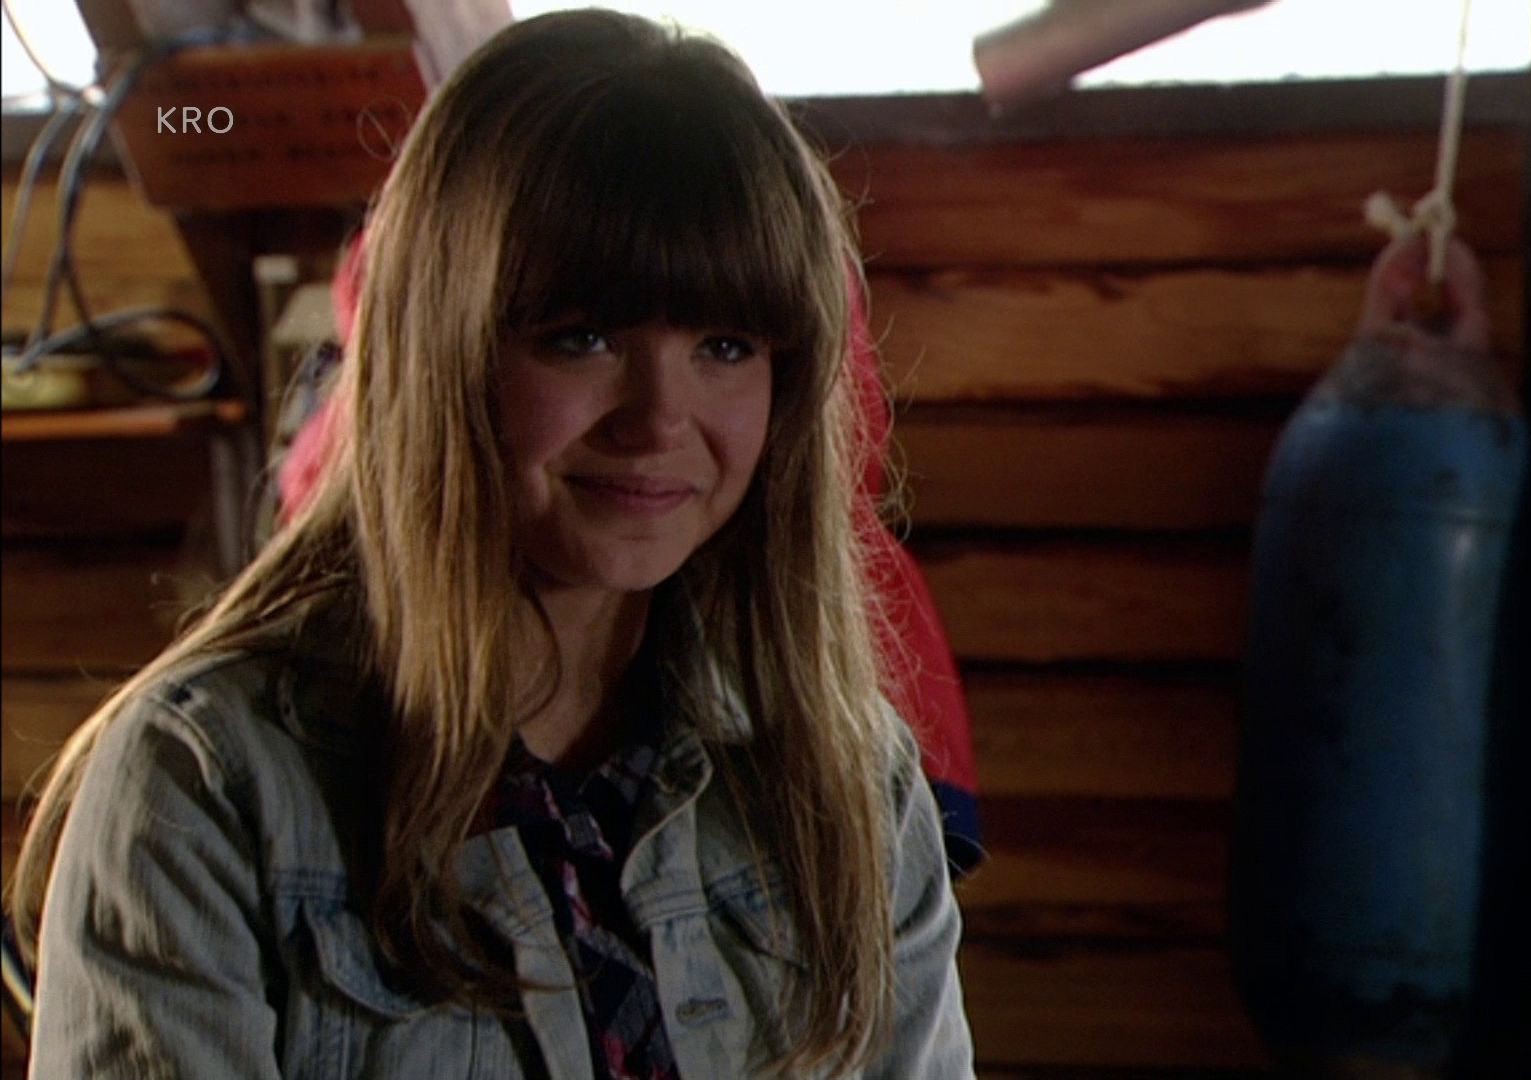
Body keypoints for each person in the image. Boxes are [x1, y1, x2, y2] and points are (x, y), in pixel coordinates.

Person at [5, 10, 974, 1078]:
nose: (659, 418)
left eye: (726, 345)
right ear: (444, 352)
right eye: (583, 338)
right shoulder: (209, 789)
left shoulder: (847, 781)